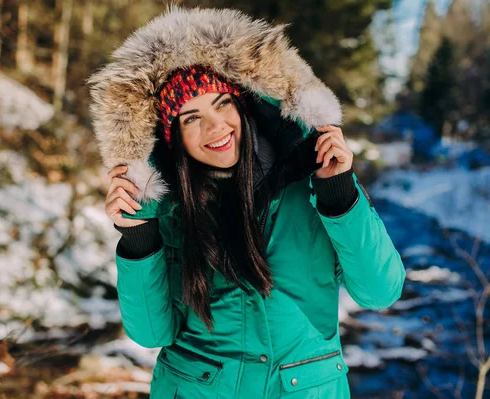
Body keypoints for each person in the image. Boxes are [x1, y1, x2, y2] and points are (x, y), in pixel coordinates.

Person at [89, 7, 405, 398]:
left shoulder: (311, 183)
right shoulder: (170, 212)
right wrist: (138, 237)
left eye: (222, 102)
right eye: (190, 118)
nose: (215, 126)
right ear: (174, 138)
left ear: (243, 105)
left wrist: (340, 193)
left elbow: (380, 291)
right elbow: (152, 332)